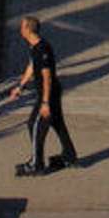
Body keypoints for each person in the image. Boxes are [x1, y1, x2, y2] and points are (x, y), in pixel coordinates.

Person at [7, 15, 78, 176]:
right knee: (57, 122)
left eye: (22, 27)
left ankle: (36, 164)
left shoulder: (42, 49)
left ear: (28, 29)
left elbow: (47, 76)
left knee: (34, 124)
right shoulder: (35, 46)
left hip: (48, 93)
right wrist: (20, 86)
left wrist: (45, 103)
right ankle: (69, 156)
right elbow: (32, 67)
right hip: (50, 92)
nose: (20, 29)